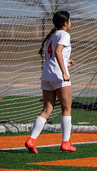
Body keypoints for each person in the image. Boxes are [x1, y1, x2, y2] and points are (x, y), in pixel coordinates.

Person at [25, 11, 77, 153]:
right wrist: (65, 72)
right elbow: (58, 52)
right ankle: (66, 142)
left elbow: (54, 56)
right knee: (66, 109)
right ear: (66, 23)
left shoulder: (52, 36)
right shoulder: (64, 34)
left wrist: (66, 63)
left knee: (47, 109)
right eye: (70, 20)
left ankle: (32, 139)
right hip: (59, 76)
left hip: (47, 75)